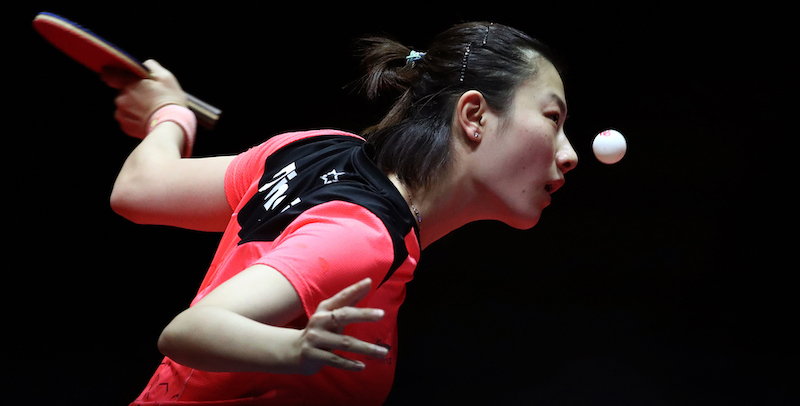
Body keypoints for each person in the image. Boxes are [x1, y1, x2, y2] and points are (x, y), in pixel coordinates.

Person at [104, 21, 578, 406]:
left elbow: (138, 190)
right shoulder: (364, 236)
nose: (569, 153)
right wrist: (294, 349)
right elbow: (189, 331)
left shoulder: (315, 151)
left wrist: (169, 114)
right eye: (552, 119)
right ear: (473, 116)